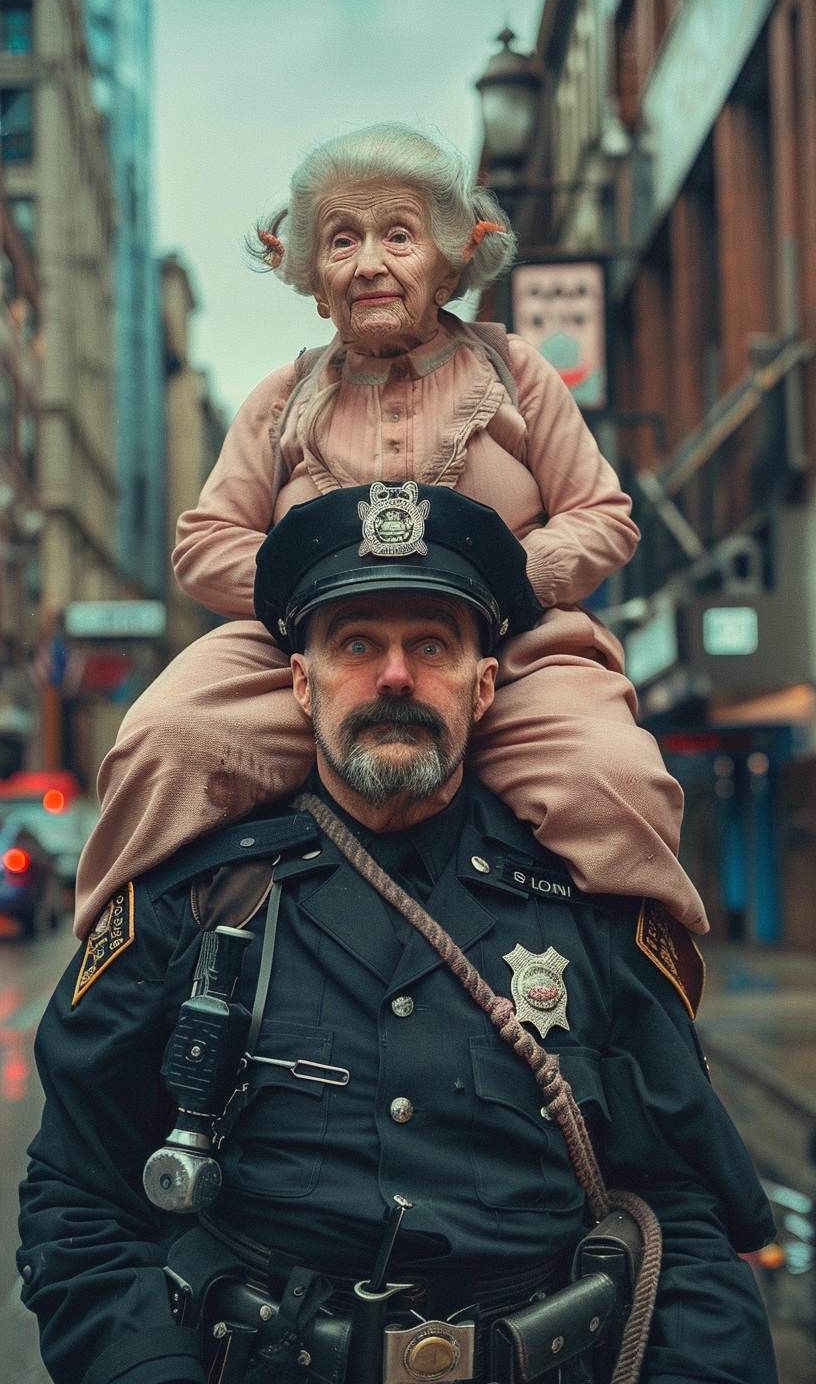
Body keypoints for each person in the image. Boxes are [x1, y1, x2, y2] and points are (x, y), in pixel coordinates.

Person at [19, 484, 776, 1384]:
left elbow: (683, 1211)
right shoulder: (200, 901)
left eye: (431, 645)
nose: (393, 676)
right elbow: (78, 1200)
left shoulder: (589, 904)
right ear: (301, 683)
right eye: (354, 645)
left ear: (483, 685)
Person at [72, 123, 708, 946]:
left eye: (398, 235)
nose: (370, 261)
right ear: (313, 277)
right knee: (165, 742)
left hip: (506, 651)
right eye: (342, 239)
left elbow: (604, 516)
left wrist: (510, 575)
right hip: (310, 654)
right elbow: (204, 543)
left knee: (614, 779)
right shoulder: (281, 397)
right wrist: (313, 582)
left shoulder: (514, 370)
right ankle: (115, 975)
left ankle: (648, 1008)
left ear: (448, 258)